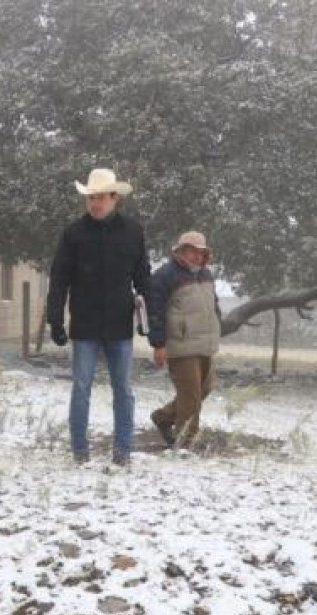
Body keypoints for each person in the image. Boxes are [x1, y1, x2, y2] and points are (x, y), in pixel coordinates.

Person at [46, 168, 151, 465]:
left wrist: (151, 321)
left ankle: (123, 450)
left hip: (120, 325)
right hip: (85, 326)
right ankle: (79, 451)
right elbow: (59, 278)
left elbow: (143, 276)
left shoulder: (133, 231)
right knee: (81, 389)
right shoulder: (73, 234)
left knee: (124, 391)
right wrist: (55, 318)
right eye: (91, 197)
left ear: (114, 198)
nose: (95, 203)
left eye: (101, 197)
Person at [146, 231, 222, 448]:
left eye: (201, 252)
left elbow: (213, 305)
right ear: (180, 251)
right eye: (192, 251)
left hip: (205, 344)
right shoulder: (165, 276)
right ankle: (186, 442)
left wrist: (217, 324)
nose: (197, 256)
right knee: (190, 396)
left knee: (204, 390)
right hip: (181, 345)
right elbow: (155, 312)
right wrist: (158, 344)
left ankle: (163, 417)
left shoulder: (206, 274)